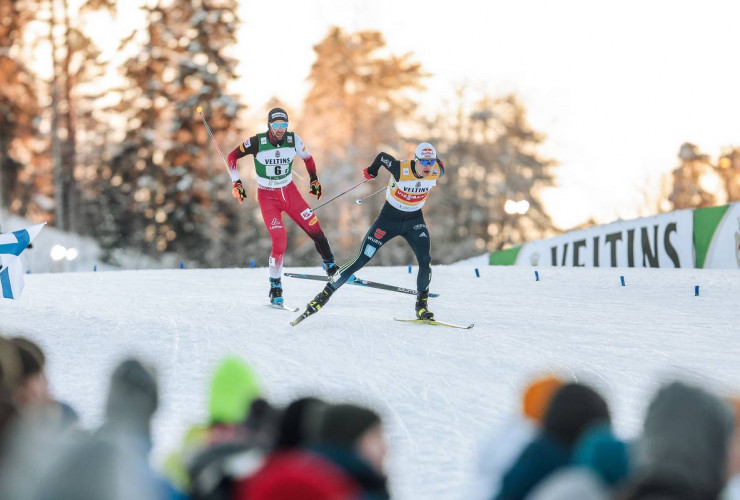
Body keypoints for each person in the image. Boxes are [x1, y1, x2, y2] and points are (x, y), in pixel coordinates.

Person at [300, 142, 444, 320]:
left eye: (432, 162)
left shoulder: (439, 169)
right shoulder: (400, 168)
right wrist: (372, 170)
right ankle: (321, 298)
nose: (429, 166)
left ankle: (421, 306)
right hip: (388, 220)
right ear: (416, 160)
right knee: (361, 259)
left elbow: (434, 169)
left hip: (414, 221)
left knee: (425, 260)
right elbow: (383, 156)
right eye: (424, 162)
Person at [227, 107, 337, 305]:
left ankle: (330, 264)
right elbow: (232, 157)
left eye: (284, 125)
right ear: (269, 125)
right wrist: (237, 183)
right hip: (268, 197)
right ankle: (275, 285)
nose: (280, 129)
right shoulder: (256, 142)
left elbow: (308, 159)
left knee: (315, 228)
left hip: (289, 193)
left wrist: (314, 180)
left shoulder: (293, 140)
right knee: (280, 241)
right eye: (276, 125)